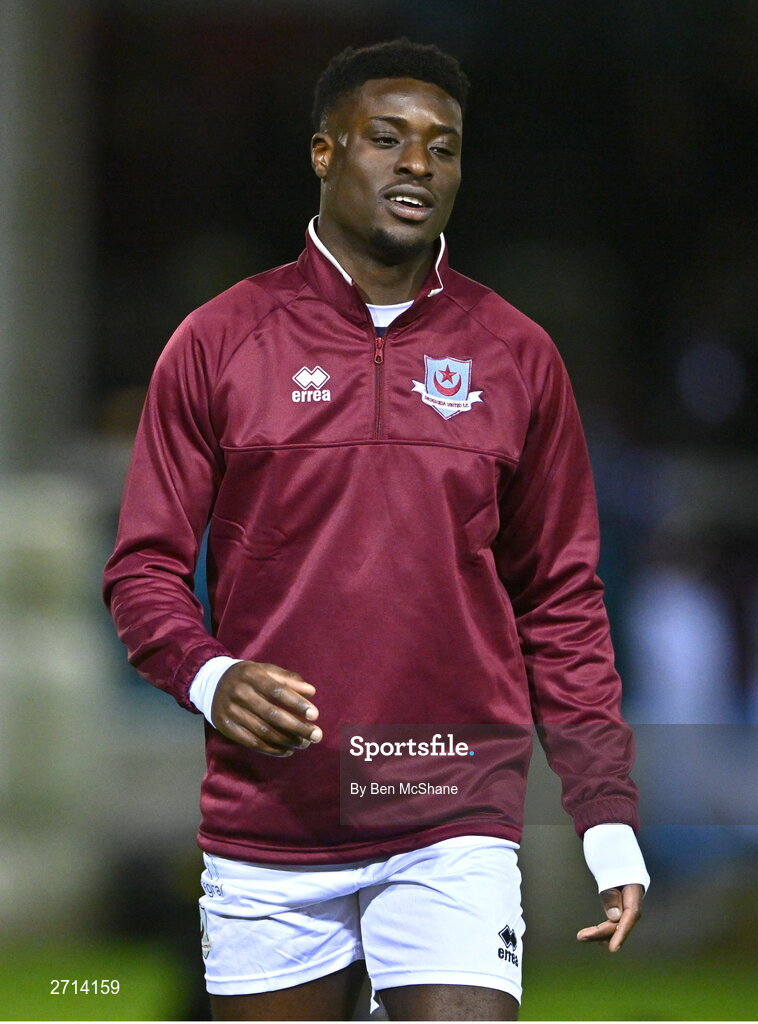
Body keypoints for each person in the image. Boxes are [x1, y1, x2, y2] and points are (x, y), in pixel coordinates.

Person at [103, 39, 649, 1022]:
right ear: (324, 153)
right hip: (270, 822)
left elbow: (560, 599)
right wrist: (213, 677)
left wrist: (604, 810)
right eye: (387, 139)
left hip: (453, 816)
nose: (417, 166)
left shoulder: (517, 357)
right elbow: (142, 569)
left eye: (443, 148)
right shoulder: (219, 343)